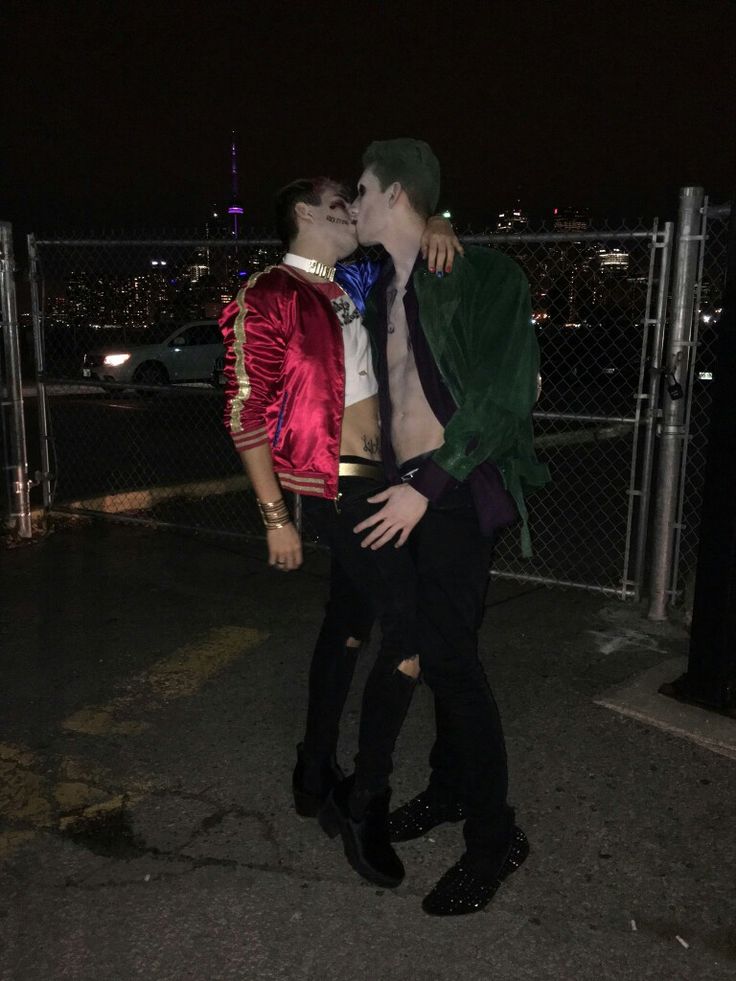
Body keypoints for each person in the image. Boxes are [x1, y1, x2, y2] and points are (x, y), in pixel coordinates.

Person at [220, 176, 460, 889]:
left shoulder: (355, 279)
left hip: (379, 475)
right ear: (301, 214)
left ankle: (314, 764)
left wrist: (442, 214)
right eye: (338, 206)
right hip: (332, 486)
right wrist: (273, 518)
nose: (352, 214)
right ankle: (366, 801)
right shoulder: (269, 293)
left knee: (348, 623)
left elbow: (413, 239)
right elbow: (245, 411)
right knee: (408, 629)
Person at [346, 139, 550, 916]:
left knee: (453, 661)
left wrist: (427, 487)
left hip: (456, 493)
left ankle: (496, 840)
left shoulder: (486, 275)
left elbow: (502, 400)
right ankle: (449, 787)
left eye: (364, 190)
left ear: (398, 194)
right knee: (433, 651)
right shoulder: (380, 286)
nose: (357, 203)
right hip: (405, 493)